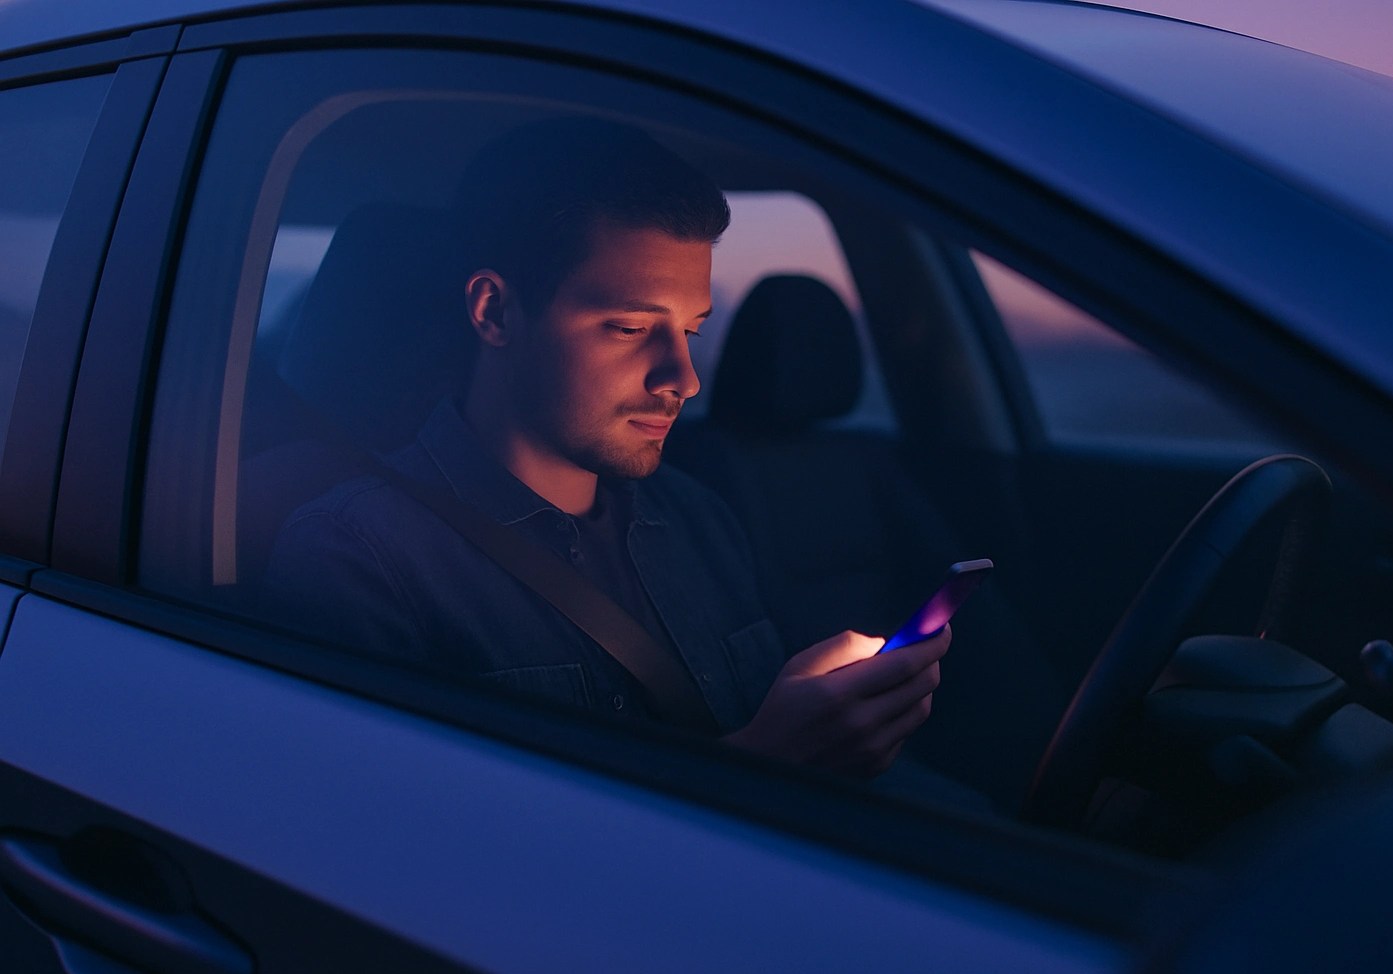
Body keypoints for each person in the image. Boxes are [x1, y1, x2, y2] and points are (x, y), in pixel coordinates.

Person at [264, 118, 949, 779]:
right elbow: (419, 865)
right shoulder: (356, 558)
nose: (683, 379)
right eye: (628, 328)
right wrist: (769, 766)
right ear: (495, 312)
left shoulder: (697, 518)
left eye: (692, 330)